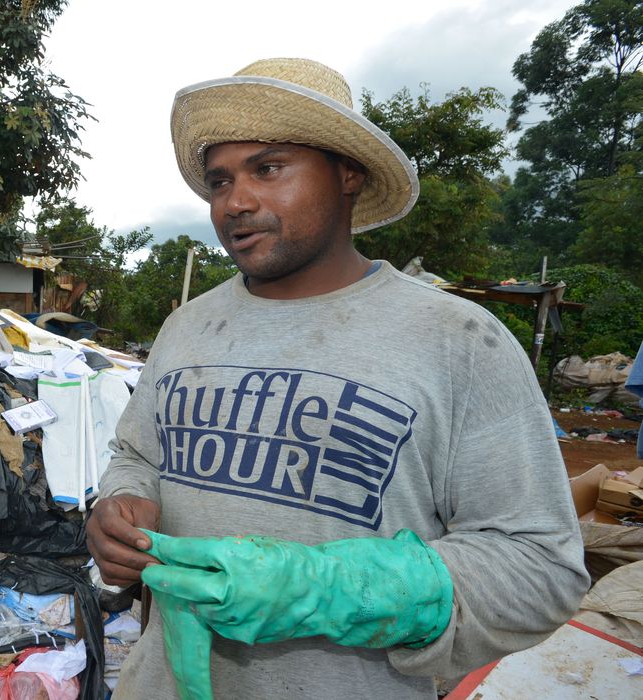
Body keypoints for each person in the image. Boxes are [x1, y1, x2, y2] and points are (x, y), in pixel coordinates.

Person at [89, 57, 588, 699]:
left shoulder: (459, 340)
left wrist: (332, 590)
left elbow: (540, 569)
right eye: (219, 181)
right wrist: (120, 505)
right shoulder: (187, 327)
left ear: (348, 173)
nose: (235, 202)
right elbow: (136, 455)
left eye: (269, 168)